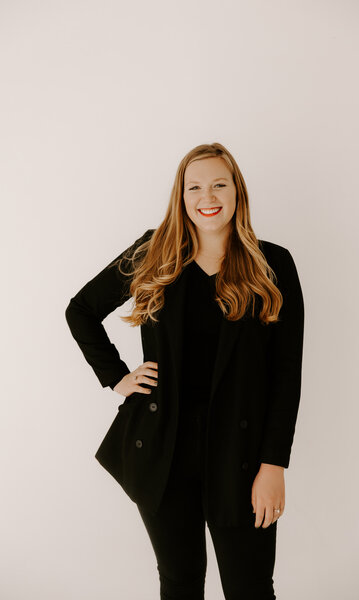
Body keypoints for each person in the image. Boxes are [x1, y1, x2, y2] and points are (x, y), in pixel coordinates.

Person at [65, 142, 305, 599]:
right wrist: (116, 376)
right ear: (181, 195)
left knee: (250, 586)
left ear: (237, 192)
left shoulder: (273, 264)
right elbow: (81, 310)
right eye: (194, 186)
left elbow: (286, 374)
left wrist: (273, 464)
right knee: (179, 582)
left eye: (219, 184)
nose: (207, 196)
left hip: (242, 453)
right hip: (163, 448)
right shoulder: (153, 252)